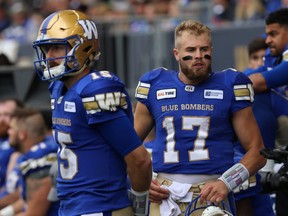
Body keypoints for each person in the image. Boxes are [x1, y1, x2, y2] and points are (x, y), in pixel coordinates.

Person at [133, 20, 266, 215]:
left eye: (204, 49)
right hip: (164, 194)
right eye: (191, 49)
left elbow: (258, 151)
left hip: (210, 195)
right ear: (176, 54)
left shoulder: (230, 85)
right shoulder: (154, 84)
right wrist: (141, 182)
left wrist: (226, 183)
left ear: (211, 50)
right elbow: (129, 147)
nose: (198, 56)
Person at [32, 10, 152, 216]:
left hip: (101, 207)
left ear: (83, 46)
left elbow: (139, 159)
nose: (50, 56)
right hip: (70, 206)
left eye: (56, 47)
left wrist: (139, 202)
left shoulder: (96, 89)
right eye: (46, 48)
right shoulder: (58, 88)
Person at [0, 107, 58, 215]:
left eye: (11, 128)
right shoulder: (32, 153)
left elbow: (34, 213)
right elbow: (25, 199)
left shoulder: (39, 158)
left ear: (22, 134)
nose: (8, 132)